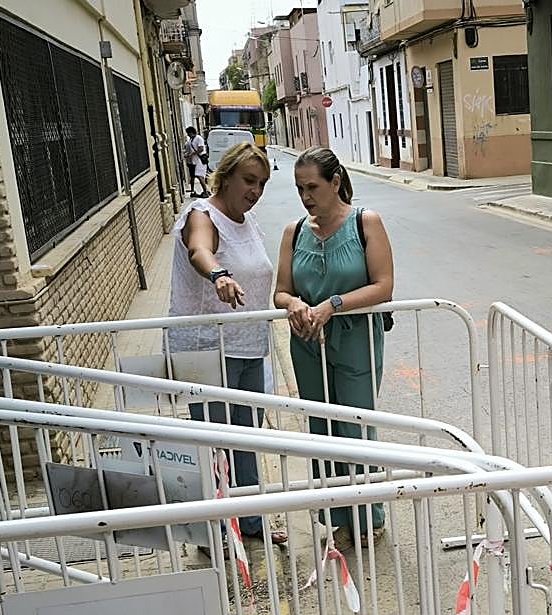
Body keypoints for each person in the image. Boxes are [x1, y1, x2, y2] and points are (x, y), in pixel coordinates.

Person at [273, 146, 394, 545]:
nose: (306, 197)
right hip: (307, 342)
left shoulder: (365, 222)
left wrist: (333, 305)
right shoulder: (294, 232)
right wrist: (294, 304)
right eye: (299, 188)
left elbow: (383, 286)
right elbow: (280, 291)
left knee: (355, 426)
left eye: (313, 187)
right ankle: (340, 517)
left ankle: (369, 518)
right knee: (321, 429)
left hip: (356, 338)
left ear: (336, 183)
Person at [168, 141, 284, 545]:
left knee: (247, 436)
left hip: (249, 346)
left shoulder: (247, 222)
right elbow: (200, 249)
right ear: (226, 175)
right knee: (215, 441)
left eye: (263, 184)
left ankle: (251, 522)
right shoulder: (202, 214)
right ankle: (216, 530)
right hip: (207, 347)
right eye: (249, 181)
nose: (255, 191)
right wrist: (219, 275)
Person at [182, 127, 209, 198]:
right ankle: (195, 191)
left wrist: (191, 154)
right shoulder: (191, 140)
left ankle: (205, 192)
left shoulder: (198, 138)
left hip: (200, 160)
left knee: (200, 176)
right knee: (195, 176)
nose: (188, 134)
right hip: (194, 161)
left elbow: (201, 149)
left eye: (188, 133)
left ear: (192, 132)